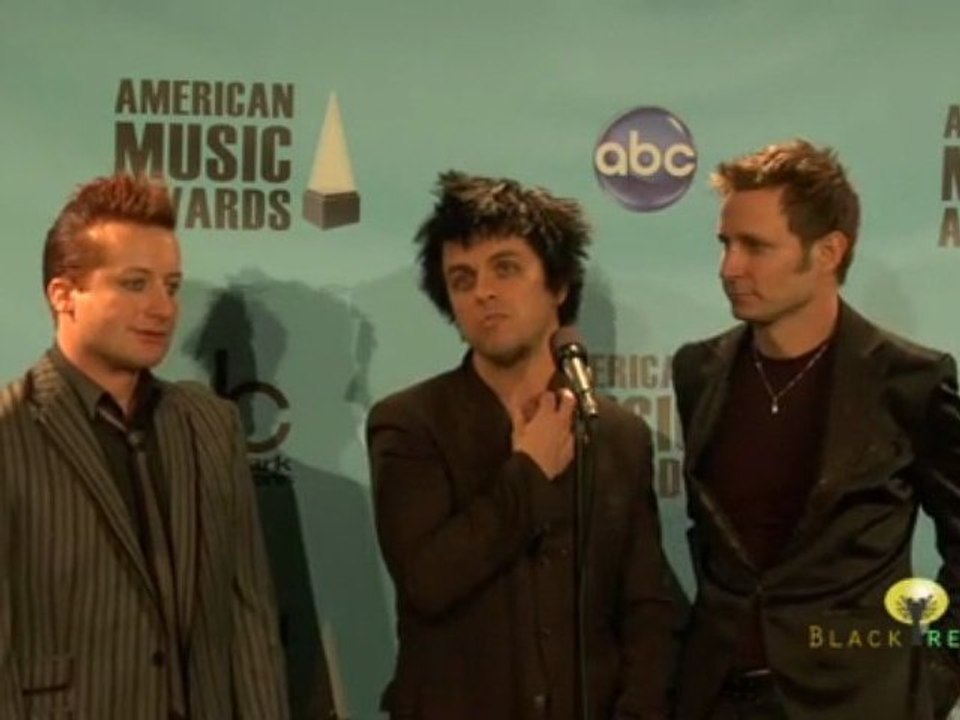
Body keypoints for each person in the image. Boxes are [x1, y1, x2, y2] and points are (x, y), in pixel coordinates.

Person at [367, 171, 675, 720]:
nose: (482, 291)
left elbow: (647, 609)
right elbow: (428, 581)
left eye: (505, 268)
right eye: (462, 279)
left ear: (557, 285)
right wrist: (528, 469)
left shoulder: (617, 434)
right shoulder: (409, 425)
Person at [671, 139, 960, 719]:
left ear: (828, 251)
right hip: (716, 699)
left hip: (857, 701)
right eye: (727, 244)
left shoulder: (911, 381)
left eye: (755, 246)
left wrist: (930, 678)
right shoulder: (697, 371)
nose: (730, 268)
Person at [0, 173, 289, 719]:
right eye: (135, 284)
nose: (163, 308)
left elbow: (247, 616)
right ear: (65, 296)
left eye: (171, 286)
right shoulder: (9, 432)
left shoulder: (211, 424)